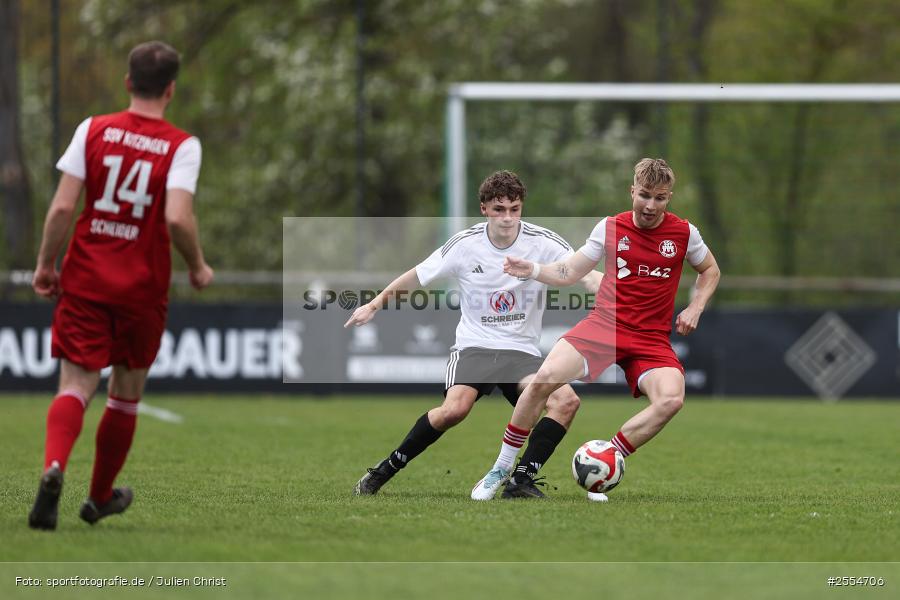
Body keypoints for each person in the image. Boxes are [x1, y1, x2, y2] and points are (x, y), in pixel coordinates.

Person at [28, 41, 213, 530]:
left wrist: (47, 265)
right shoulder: (181, 145)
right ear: (171, 89)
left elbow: (63, 208)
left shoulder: (93, 129)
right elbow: (176, 216)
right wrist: (196, 264)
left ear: (128, 82)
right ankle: (99, 496)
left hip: (86, 278)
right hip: (141, 288)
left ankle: (53, 468)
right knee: (125, 395)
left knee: (74, 386)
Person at [471, 158, 721, 500]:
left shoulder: (684, 233)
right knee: (543, 379)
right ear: (632, 191)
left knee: (672, 399)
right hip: (605, 327)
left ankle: (607, 457)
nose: (650, 205)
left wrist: (695, 306)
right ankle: (501, 468)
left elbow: (710, 270)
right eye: (644, 195)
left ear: (669, 198)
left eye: (660, 198)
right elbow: (569, 273)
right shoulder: (610, 228)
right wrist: (532, 269)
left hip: (650, 338)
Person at [345, 170, 601, 497]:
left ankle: (520, 481)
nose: (507, 218)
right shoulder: (465, 245)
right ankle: (385, 469)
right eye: (498, 209)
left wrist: (617, 295)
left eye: (514, 209)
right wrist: (376, 303)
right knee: (455, 410)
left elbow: (586, 275)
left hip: (521, 354)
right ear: (483, 208)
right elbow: (416, 277)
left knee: (565, 401)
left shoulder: (543, 242)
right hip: (474, 348)